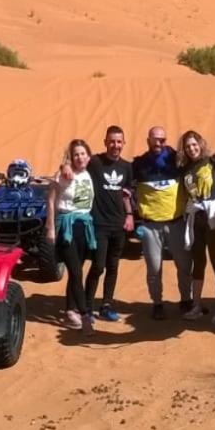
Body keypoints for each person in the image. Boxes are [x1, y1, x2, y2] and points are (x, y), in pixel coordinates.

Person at [132, 125, 192, 320]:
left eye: (163, 139)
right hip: (150, 226)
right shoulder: (138, 165)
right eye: (156, 139)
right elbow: (124, 185)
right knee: (154, 269)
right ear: (148, 140)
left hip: (176, 223)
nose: (159, 143)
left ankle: (186, 300)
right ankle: (157, 303)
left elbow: (200, 166)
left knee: (184, 265)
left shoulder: (178, 161)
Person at [177, 130, 215, 326]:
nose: (192, 149)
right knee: (198, 263)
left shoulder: (213, 163)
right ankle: (196, 306)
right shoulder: (184, 169)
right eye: (187, 146)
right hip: (196, 221)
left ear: (201, 144)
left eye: (194, 144)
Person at [46, 139, 96, 333]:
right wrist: (50, 227)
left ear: (88, 156)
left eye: (83, 153)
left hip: (84, 227)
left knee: (77, 271)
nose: (80, 157)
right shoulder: (63, 175)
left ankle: (69, 310)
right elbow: (50, 200)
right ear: (71, 157)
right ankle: (84, 316)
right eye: (76, 154)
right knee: (76, 272)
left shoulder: (88, 174)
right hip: (67, 227)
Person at [85, 125, 134, 322]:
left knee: (113, 266)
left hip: (119, 224)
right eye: (112, 141)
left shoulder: (126, 167)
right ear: (105, 142)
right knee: (98, 266)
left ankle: (106, 305)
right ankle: (87, 307)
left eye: (119, 142)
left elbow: (126, 195)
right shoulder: (95, 162)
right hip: (99, 224)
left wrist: (130, 215)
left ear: (124, 143)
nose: (115, 145)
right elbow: (74, 163)